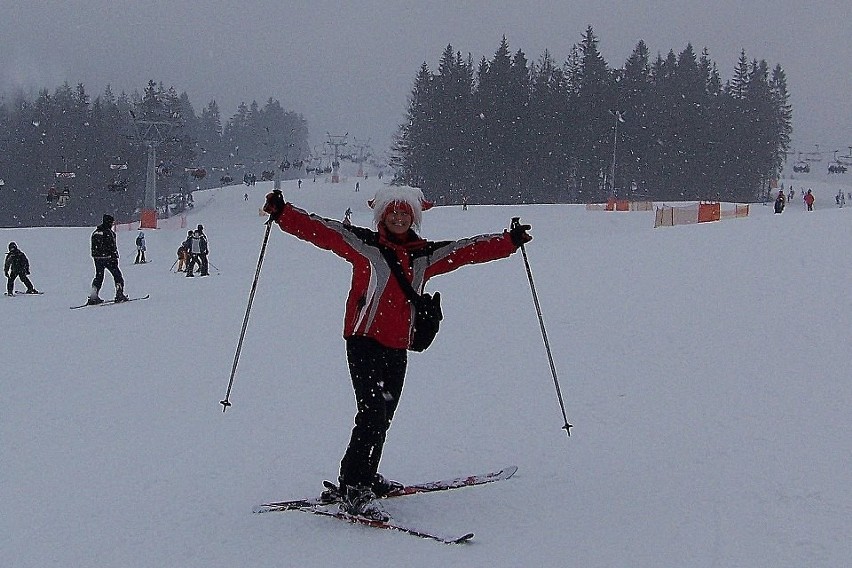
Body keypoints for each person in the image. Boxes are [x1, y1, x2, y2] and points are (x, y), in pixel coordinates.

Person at [262, 186, 531, 520]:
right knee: (372, 413)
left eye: (405, 213)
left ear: (413, 218)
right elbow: (322, 230)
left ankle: (359, 475)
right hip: (362, 341)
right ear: (383, 217)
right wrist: (283, 213)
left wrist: (509, 242)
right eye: (393, 213)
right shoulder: (364, 245)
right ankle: (356, 487)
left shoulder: (424, 256)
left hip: (397, 347)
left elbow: (466, 250)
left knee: (383, 416)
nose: (399, 218)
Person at [87, 214, 127, 304]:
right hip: (108, 258)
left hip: (97, 258)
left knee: (98, 277)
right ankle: (119, 294)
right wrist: (114, 257)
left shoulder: (96, 232)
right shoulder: (109, 233)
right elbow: (112, 246)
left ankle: (93, 296)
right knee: (117, 276)